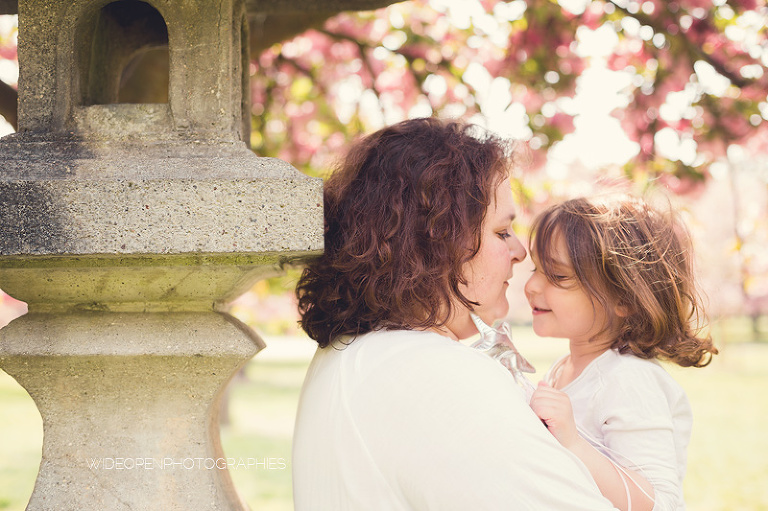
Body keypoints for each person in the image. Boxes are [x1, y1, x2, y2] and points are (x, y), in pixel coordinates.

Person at [292, 117, 617, 510]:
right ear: (437, 243)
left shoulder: (356, 353)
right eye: (501, 232)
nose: (521, 251)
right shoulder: (430, 371)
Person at [524, 196, 718, 511]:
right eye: (536, 268)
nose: (531, 285)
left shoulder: (628, 379)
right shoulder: (564, 370)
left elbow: (663, 503)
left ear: (623, 299)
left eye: (558, 276)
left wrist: (574, 444)